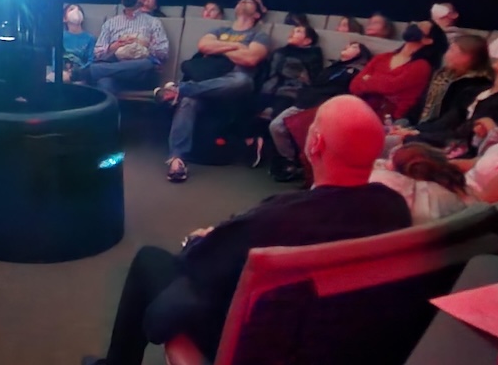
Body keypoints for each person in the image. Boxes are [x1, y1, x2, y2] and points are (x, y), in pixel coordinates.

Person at [80, 96, 412, 365]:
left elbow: (200, 265)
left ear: (316, 143)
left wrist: (203, 239)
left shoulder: (277, 219)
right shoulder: (394, 209)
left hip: (259, 342)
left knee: (150, 261)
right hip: (339, 343)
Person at [154, 0, 269, 182]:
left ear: (256, 14)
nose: (244, 1)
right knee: (188, 101)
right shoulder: (220, 30)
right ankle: (177, 160)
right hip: (207, 82)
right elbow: (204, 46)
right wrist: (237, 47)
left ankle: (180, 89)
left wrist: (219, 49)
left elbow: (250, 59)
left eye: (249, 1)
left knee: (241, 80)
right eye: (242, 0)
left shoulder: (259, 36)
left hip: (234, 85)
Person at [268, 41, 372, 182]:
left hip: (325, 106)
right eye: (346, 45)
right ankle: (289, 159)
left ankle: (294, 163)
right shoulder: (333, 67)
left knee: (280, 126)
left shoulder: (357, 71)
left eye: (354, 47)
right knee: (276, 125)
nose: (347, 47)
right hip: (307, 100)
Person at [349, 20, 447, 123]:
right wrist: (377, 84)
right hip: (361, 109)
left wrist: (368, 80)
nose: (415, 26)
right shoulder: (382, 57)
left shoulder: (422, 66)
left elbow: (390, 86)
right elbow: (354, 86)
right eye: (416, 24)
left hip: (389, 120)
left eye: (421, 26)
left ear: (427, 40)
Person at [80, 0, 169, 94]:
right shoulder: (111, 23)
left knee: (146, 64)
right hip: (115, 71)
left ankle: (90, 71)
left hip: (141, 73)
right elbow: (97, 53)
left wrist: (145, 44)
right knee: (105, 82)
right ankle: (111, 111)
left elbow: (163, 53)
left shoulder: (153, 22)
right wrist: (113, 46)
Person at [258, 24, 323, 116]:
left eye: (298, 31)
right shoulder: (279, 52)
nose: (292, 32)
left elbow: (313, 79)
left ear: (307, 41)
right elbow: (266, 71)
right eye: (293, 30)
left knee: (279, 111)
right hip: (268, 89)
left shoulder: (311, 56)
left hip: (290, 93)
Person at [61, 4, 96, 81]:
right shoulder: (60, 36)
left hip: (81, 74)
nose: (76, 11)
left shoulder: (90, 38)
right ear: (64, 18)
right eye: (71, 9)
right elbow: (56, 58)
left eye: (79, 10)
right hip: (61, 72)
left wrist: (78, 72)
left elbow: (91, 61)